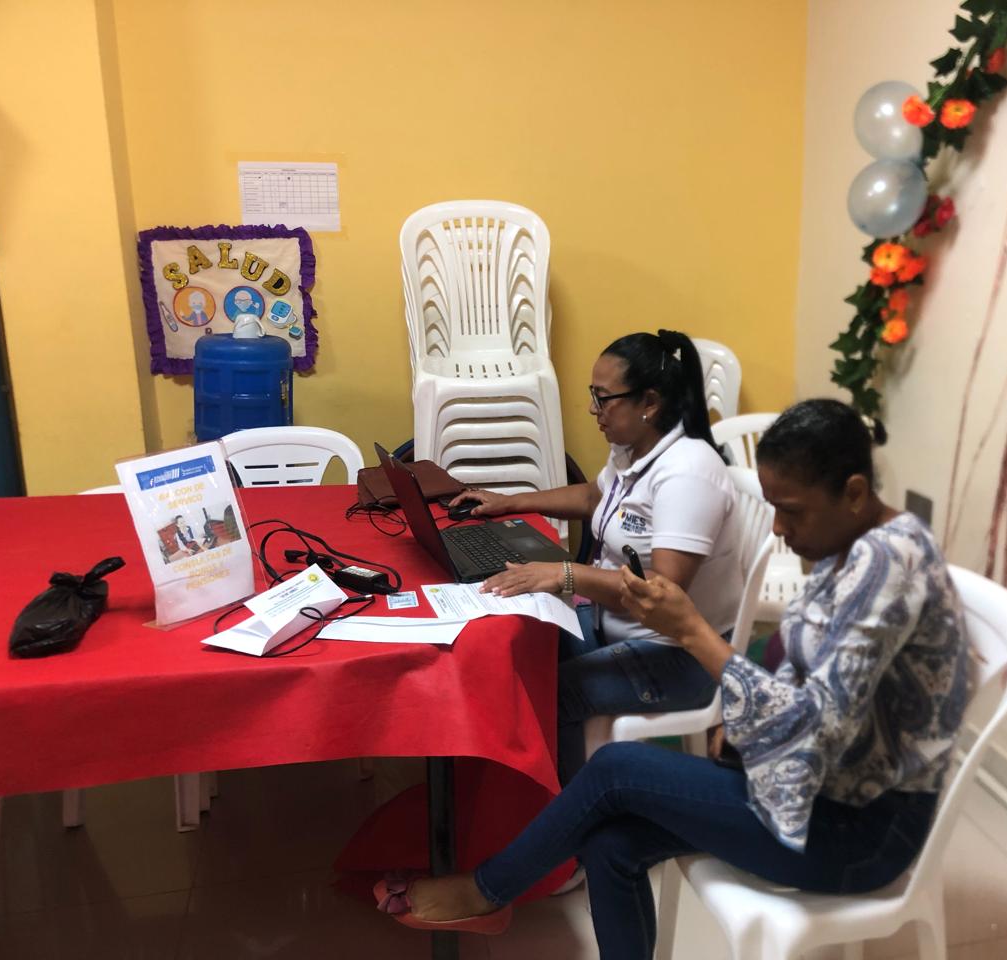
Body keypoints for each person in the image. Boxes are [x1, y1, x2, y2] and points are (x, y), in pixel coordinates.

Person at [383, 399, 974, 959]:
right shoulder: (854, 544)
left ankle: (486, 890)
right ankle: (494, 888)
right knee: (610, 843)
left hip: (855, 829)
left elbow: (811, 725)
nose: (777, 529)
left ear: (854, 493)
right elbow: (802, 662)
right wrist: (740, 726)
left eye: (792, 510)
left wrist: (692, 631)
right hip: (803, 784)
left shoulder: (887, 567)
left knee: (616, 769)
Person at [450, 329, 743, 785]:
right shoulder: (635, 448)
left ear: (649, 402)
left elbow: (660, 593)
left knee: (550, 693)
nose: (593, 409)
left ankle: (571, 808)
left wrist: (565, 575)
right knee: (521, 647)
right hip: (615, 626)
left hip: (678, 659)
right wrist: (509, 502)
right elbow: (594, 496)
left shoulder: (687, 473)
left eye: (603, 398)